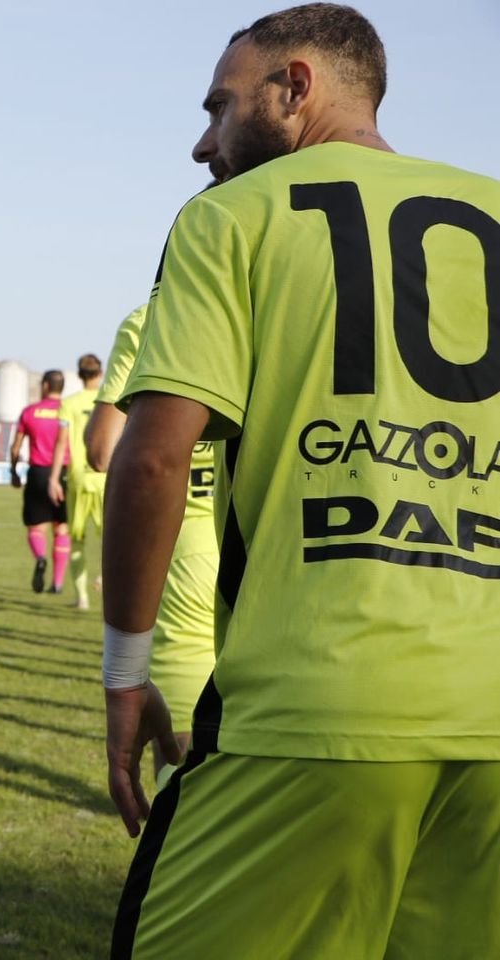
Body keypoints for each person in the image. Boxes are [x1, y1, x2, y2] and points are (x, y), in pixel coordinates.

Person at [103, 6, 500, 957]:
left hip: (314, 709)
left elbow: (151, 456)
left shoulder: (231, 217)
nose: (203, 144)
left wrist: (125, 672)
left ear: (295, 86)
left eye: (219, 106)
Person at [88, 303, 217, 784]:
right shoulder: (287, 300)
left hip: (185, 556)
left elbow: (104, 452)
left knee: (183, 757)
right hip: (275, 548)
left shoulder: (152, 319)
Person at [47, 355, 105, 610]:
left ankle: (81, 597)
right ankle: (106, 580)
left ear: (80, 375)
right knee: (111, 539)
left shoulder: (69, 403)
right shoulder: (111, 401)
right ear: (100, 373)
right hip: (106, 477)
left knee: (77, 540)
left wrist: (53, 477)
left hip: (78, 478)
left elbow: (62, 442)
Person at [11, 370, 69, 594]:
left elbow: (16, 446)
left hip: (38, 473)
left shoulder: (30, 412)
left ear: (45, 385)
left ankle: (41, 557)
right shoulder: (68, 409)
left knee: (36, 528)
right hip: (64, 472)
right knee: (61, 528)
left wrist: (13, 470)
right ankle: (57, 583)